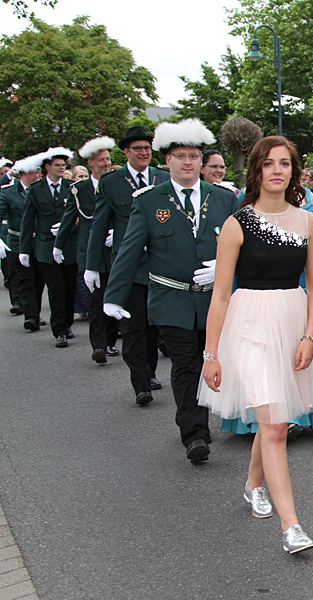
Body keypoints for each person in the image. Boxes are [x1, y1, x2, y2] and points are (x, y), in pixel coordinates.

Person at [198, 136, 313, 553]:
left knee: (276, 420)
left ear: (293, 171)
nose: (277, 170)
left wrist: (309, 335)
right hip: (249, 326)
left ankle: (254, 484)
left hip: (292, 325)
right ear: (256, 170)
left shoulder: (306, 222)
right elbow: (220, 295)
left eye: (284, 163)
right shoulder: (236, 225)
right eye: (269, 163)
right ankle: (292, 527)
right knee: (274, 426)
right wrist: (211, 354)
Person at [103, 119, 239, 463]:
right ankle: (195, 434)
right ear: (167, 160)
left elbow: (244, 246)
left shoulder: (224, 199)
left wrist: (225, 268)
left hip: (213, 299)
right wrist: (114, 296)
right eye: (180, 156)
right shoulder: (150, 201)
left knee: (213, 360)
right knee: (186, 365)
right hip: (171, 299)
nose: (187, 162)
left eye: (193, 156)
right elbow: (129, 250)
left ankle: (214, 417)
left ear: (201, 161)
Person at [87, 125, 166, 404]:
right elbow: (99, 225)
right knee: (133, 326)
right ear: (126, 152)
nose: (144, 152)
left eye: (147, 148)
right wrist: (92, 265)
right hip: (129, 265)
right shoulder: (111, 182)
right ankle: (141, 383)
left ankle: (150, 371)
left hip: (159, 264)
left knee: (153, 326)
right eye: (137, 148)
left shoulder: (162, 177)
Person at [56, 136, 118, 365]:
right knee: (95, 299)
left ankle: (110, 340)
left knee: (112, 295)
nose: (106, 163)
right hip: (90, 253)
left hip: (114, 251)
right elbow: (68, 218)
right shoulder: (79, 189)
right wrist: (58, 245)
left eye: (108, 159)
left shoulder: (116, 183)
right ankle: (99, 345)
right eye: (101, 160)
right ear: (90, 162)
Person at [18, 147, 76, 348]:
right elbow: (28, 220)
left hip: (69, 245)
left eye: (63, 165)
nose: (61, 168)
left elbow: (81, 215)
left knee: (69, 288)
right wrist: (24, 249)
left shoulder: (72, 187)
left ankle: (67, 323)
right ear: (47, 167)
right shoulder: (36, 189)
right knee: (56, 288)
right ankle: (59, 330)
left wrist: (69, 226)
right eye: (57, 165)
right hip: (45, 245)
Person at [0, 154, 43, 321]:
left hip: (39, 241)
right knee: (25, 279)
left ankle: (35, 312)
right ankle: (31, 317)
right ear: (25, 174)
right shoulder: (8, 192)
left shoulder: (41, 191)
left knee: (38, 280)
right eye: (36, 172)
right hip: (17, 241)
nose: (39, 175)